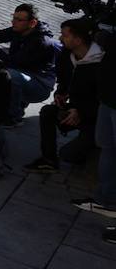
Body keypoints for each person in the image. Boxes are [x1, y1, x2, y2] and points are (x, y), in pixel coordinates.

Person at [23, 18, 105, 173]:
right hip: (75, 111)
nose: (60, 38)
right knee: (48, 112)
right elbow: (64, 81)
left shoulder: (102, 63)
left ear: (78, 40)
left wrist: (80, 110)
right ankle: (48, 160)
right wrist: (60, 94)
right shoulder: (67, 56)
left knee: (68, 155)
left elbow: (104, 101)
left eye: (65, 35)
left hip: (97, 119)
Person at [0, 4, 57, 124]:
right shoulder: (20, 29)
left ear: (32, 23)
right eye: (13, 17)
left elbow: (12, 62)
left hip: (40, 85)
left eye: (19, 20)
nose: (13, 22)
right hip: (25, 75)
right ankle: (5, 105)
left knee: (9, 75)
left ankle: (13, 117)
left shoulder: (40, 42)